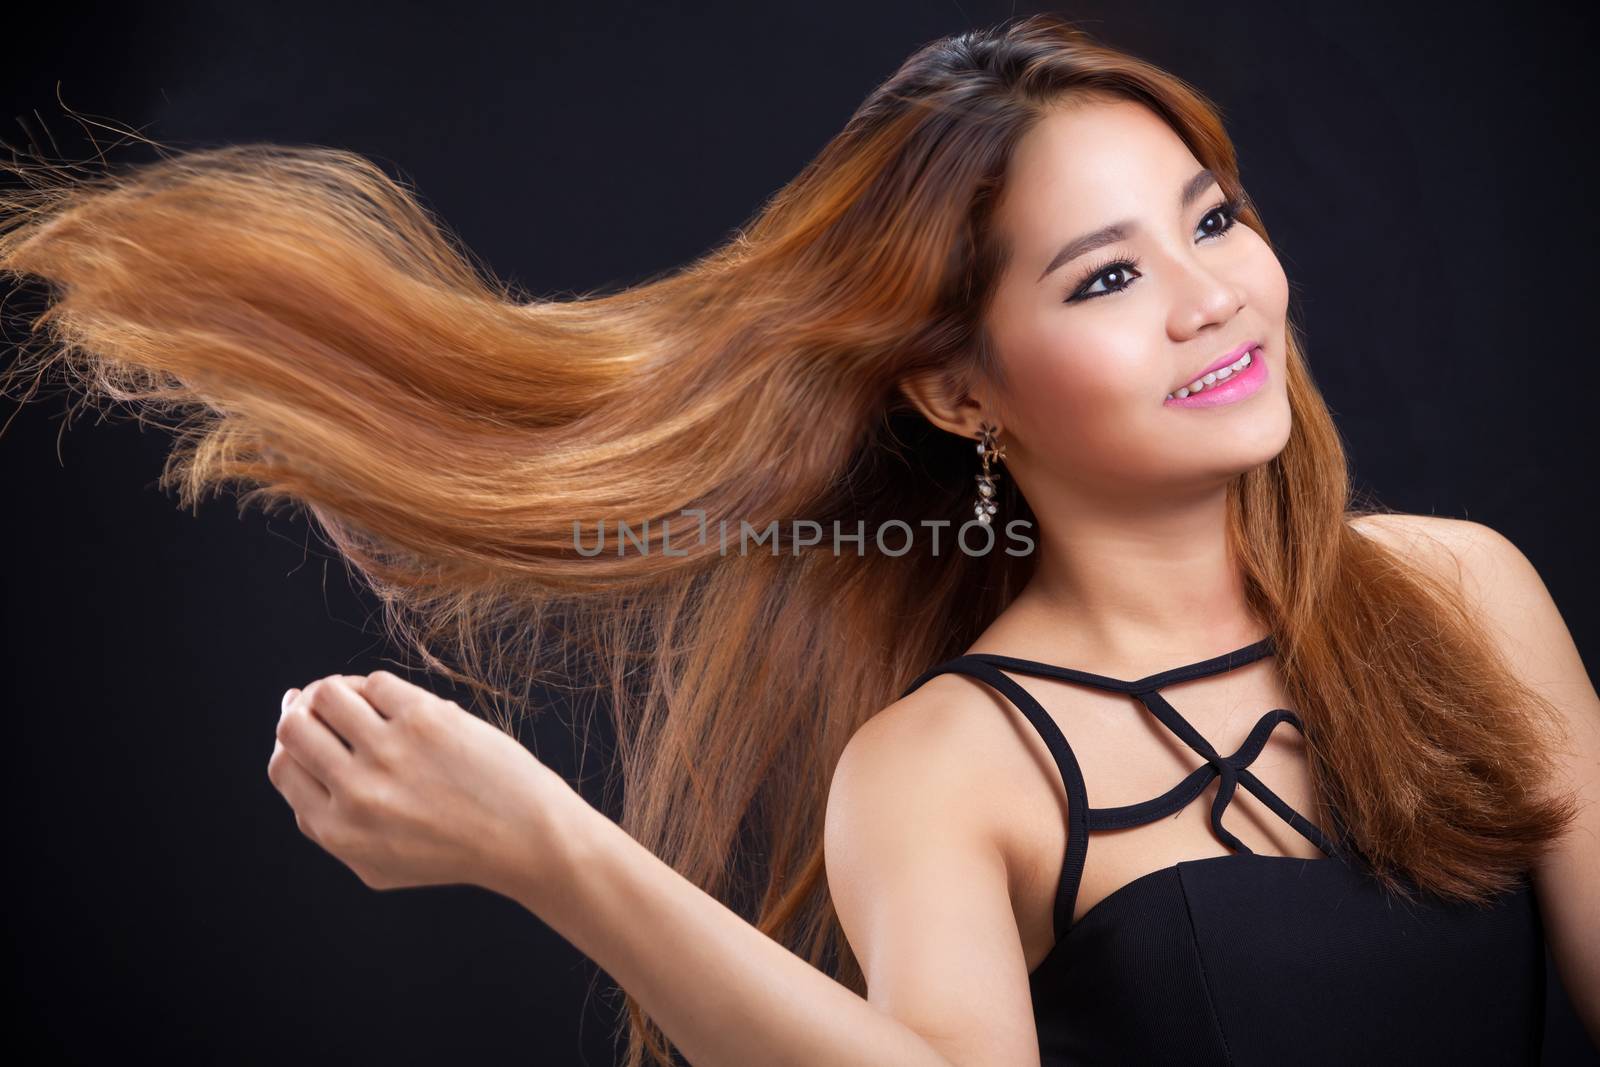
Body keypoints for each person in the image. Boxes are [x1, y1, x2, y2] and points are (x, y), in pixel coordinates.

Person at [1, 13, 1595, 1066]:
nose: (1212, 297)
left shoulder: (1463, 595)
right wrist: (551, 852)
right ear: (962, 390)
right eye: (1106, 278)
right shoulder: (949, 768)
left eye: (1212, 216)